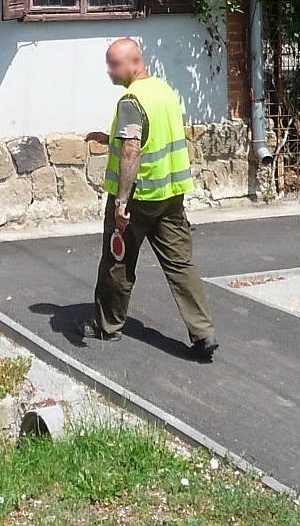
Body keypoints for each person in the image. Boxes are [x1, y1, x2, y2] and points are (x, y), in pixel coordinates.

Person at [80, 37, 219, 360]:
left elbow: (132, 150)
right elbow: (151, 133)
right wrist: (109, 136)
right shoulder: (163, 91)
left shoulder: (131, 99)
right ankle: (203, 333)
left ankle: (107, 325)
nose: (109, 71)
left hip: (138, 199)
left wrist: (121, 203)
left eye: (114, 64)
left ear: (134, 63)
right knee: (180, 263)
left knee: (118, 262)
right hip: (171, 196)